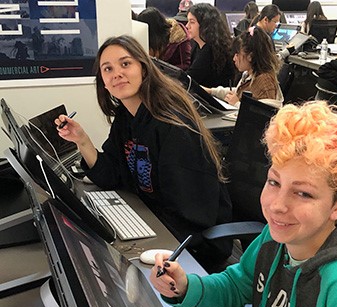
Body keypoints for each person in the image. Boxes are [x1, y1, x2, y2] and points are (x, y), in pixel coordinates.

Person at [150, 101, 337, 307]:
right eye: (274, 182)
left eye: (303, 193)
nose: (277, 206)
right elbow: (239, 285)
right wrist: (185, 288)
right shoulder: (276, 237)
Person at [55, 35, 233, 271]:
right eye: (108, 69)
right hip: (155, 223)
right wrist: (82, 141)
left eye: (125, 64)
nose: (117, 73)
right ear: (104, 82)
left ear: (144, 69)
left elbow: (190, 213)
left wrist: (136, 233)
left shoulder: (172, 124)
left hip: (195, 244)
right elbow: (112, 173)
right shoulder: (126, 116)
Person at [204, 26, 283, 108]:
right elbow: (238, 91)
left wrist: (236, 104)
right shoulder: (249, 75)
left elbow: (264, 115)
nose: (234, 58)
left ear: (250, 56)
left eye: (237, 54)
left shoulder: (264, 82)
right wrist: (211, 91)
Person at [186, 3, 235, 88]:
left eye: (192, 22)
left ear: (205, 25)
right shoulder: (197, 45)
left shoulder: (210, 50)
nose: (187, 26)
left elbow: (189, 80)